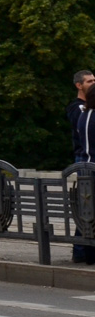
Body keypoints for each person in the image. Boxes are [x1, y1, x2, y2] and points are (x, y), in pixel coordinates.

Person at [67, 72, 95, 263]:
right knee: (86, 207)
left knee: (87, 208)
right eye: (90, 81)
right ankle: (81, 250)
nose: (93, 83)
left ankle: (82, 250)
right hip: (86, 158)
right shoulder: (79, 110)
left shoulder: (86, 113)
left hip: (86, 158)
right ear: (79, 85)